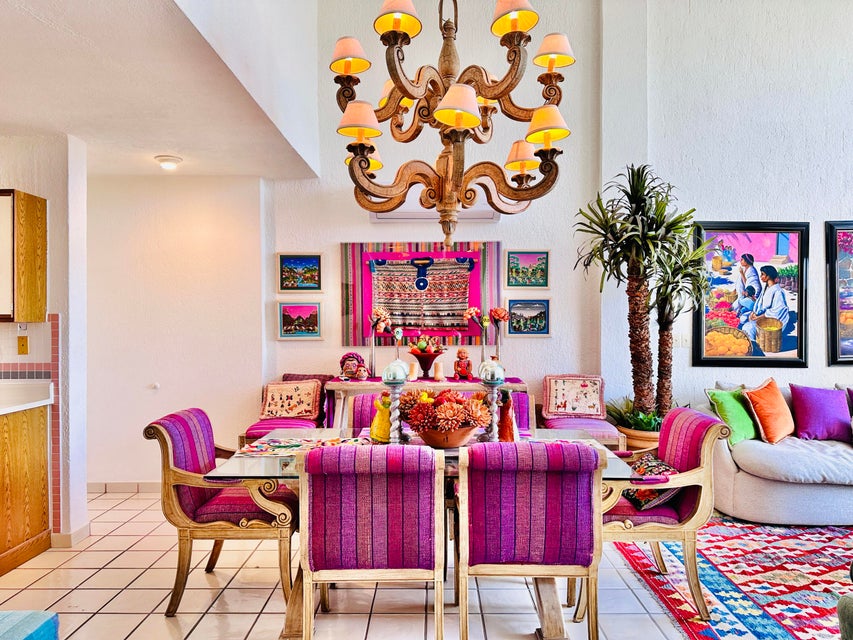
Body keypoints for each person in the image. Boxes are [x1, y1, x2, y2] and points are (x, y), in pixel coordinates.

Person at [742, 265, 790, 342]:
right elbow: (759, 304)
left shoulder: (778, 291)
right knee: (743, 318)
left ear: (768, 276)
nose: (760, 276)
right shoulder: (766, 288)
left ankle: (753, 344)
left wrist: (758, 317)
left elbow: (777, 312)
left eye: (762, 274)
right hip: (762, 315)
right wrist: (753, 313)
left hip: (772, 320)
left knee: (747, 327)